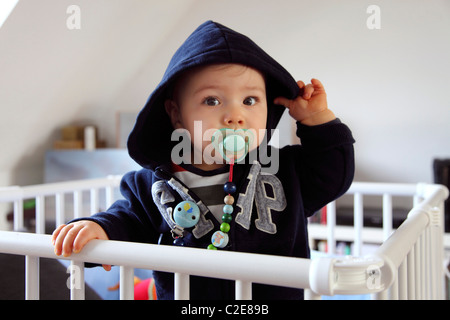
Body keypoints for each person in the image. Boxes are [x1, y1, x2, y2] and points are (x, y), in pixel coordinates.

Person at [52, 20, 355, 299]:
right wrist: (99, 228)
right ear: (176, 114)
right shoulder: (152, 184)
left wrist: (317, 120)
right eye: (212, 100)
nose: (235, 116)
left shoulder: (285, 170)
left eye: (250, 100)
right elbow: (128, 220)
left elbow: (333, 175)